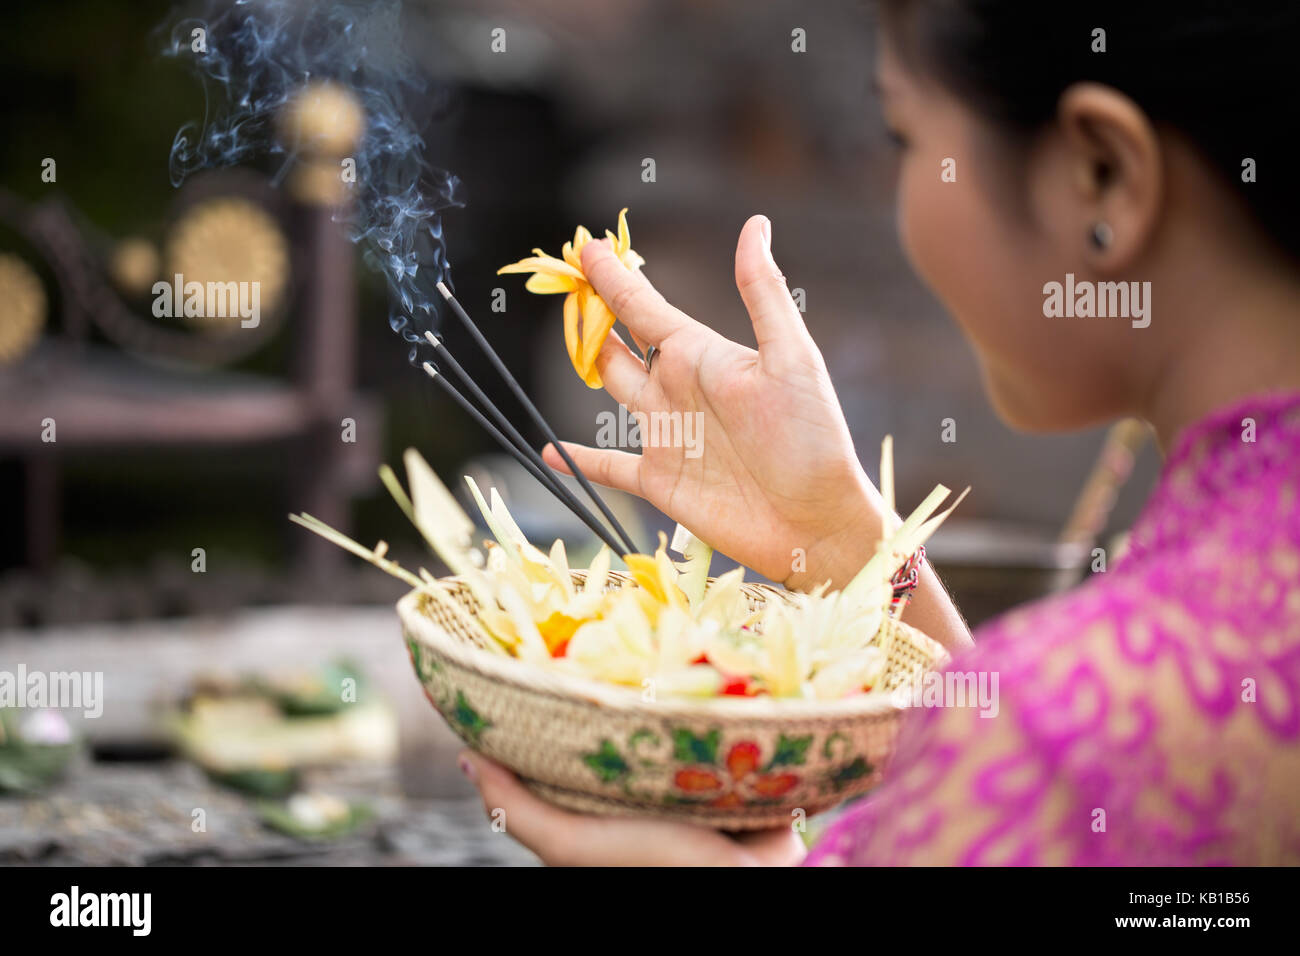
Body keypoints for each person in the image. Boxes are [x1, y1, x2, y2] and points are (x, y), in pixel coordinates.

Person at [458, 1, 1300, 865]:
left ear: (1101, 176)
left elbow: (1046, 756)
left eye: (906, 136)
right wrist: (844, 542)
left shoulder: (1061, 729)